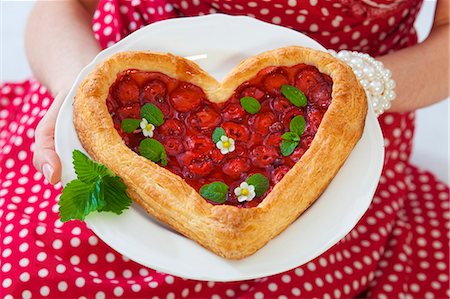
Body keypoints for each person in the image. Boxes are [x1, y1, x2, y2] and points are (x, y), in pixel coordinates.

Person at [1, 0, 448, 298]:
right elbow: (62, 7)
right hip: (125, 82)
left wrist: (358, 88)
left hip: (351, 123)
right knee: (27, 280)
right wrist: (78, 84)